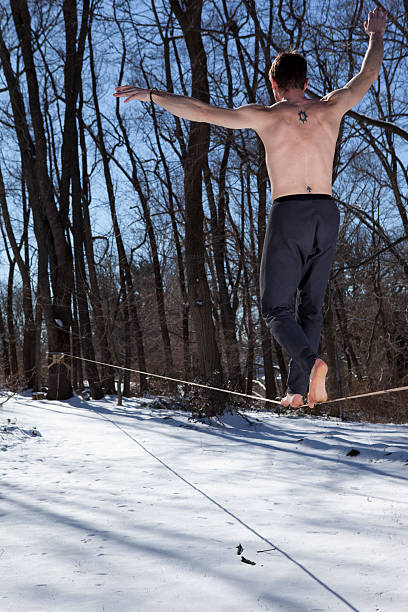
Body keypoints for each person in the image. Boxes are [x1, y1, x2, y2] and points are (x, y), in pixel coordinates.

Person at [113, 8, 386, 409]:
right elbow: (368, 75)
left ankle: (310, 366)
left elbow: (203, 111)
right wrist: (375, 35)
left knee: (275, 307)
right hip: (327, 213)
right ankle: (298, 388)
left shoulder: (267, 116)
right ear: (305, 82)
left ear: (275, 85)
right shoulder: (332, 108)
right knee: (310, 305)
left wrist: (153, 95)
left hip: (290, 211)